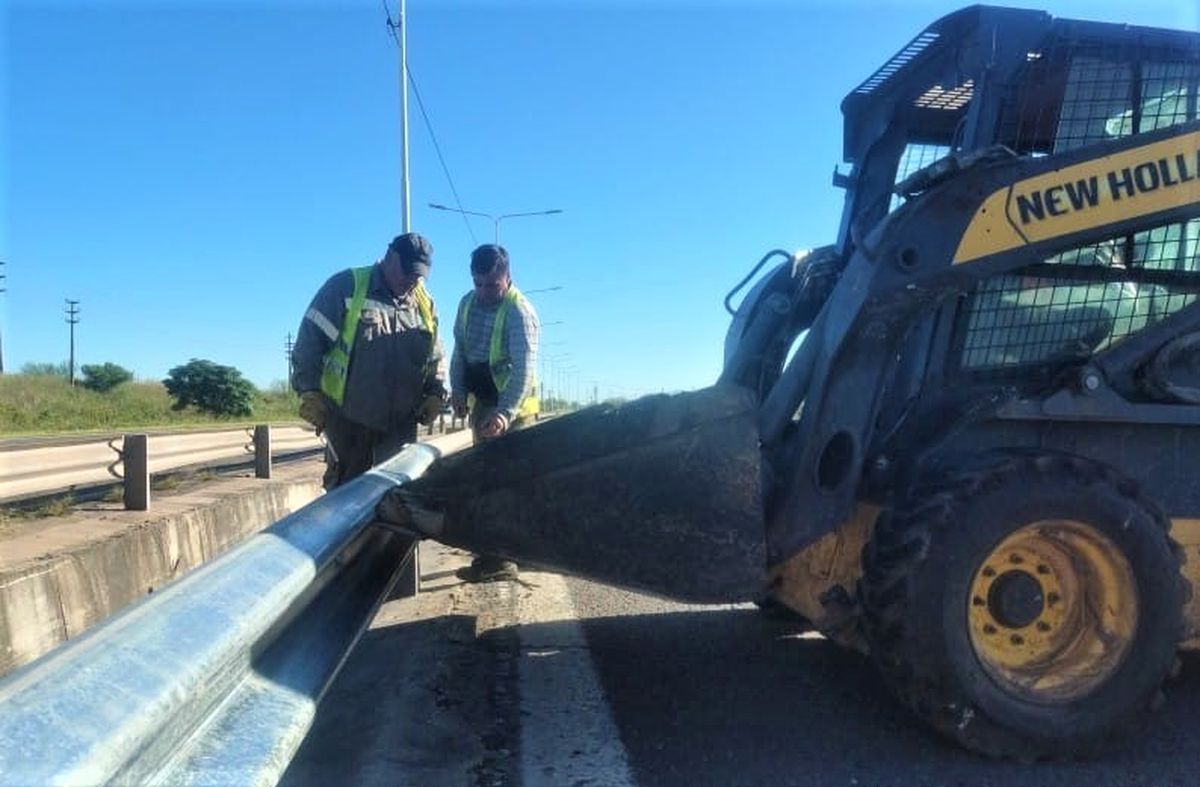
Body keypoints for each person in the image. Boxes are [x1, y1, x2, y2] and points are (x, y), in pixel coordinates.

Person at [291, 233, 447, 489]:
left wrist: (436, 392)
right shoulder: (345, 287)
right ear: (390, 257)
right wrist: (310, 392)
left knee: (398, 499)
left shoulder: (424, 303)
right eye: (407, 272)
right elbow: (309, 342)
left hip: (401, 426)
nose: (411, 280)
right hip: (349, 423)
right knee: (346, 498)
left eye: (418, 275)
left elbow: (436, 355)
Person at [450, 243, 540, 581]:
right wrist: (458, 390)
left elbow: (523, 371)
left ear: (508, 278)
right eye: (479, 284)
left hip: (514, 411)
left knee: (503, 486)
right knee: (484, 481)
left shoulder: (520, 312)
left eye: (493, 285)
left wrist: (504, 414)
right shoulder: (467, 305)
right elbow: (460, 351)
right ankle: (503, 554)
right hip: (484, 402)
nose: (486, 293)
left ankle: (501, 561)